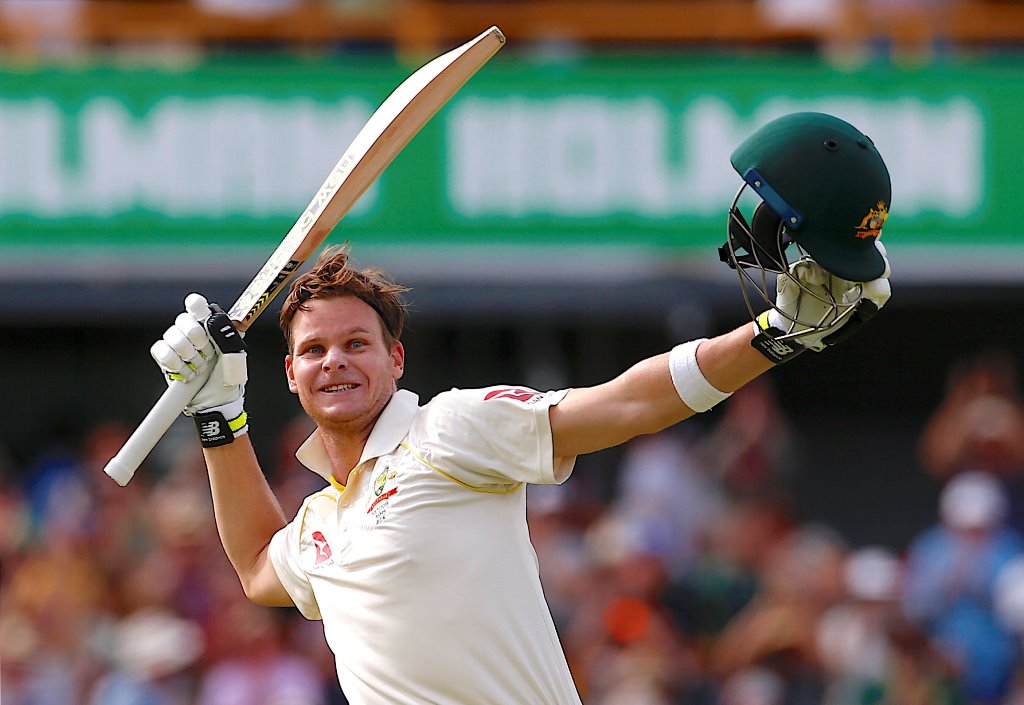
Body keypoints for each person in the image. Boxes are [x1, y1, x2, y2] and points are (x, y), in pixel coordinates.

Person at [146, 112, 893, 703]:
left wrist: (772, 337)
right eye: (314, 351)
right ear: (290, 375)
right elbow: (253, 567)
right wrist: (218, 415)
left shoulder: (448, 430)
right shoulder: (318, 526)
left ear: (396, 360)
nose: (334, 359)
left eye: (356, 343)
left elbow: (626, 405)